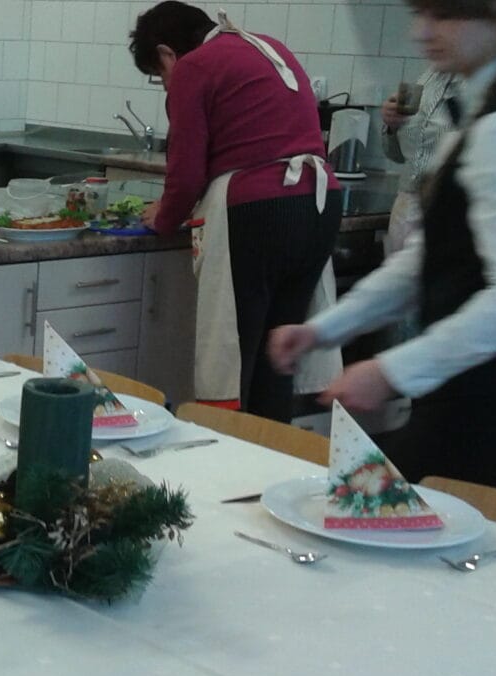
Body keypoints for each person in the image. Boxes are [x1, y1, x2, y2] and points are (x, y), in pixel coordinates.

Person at [268, 0, 496, 504]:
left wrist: (390, 371)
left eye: (444, 15)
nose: (422, 31)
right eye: (421, 14)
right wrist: (324, 329)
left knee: (380, 518)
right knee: (378, 519)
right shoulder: (480, 110)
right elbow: (427, 260)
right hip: (469, 398)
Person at [132, 2, 342, 422]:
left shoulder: (194, 67)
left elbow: (186, 172)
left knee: (235, 357)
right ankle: (271, 453)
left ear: (167, 53)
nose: (166, 84)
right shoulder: (267, 46)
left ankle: (227, 453)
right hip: (318, 204)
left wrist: (164, 218)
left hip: (258, 212)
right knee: (278, 354)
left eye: (159, 75)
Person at [380, 66, 461, 255]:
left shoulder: (480, 87)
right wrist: (391, 126)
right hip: (406, 206)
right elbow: (397, 155)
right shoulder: (428, 78)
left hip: (445, 209)